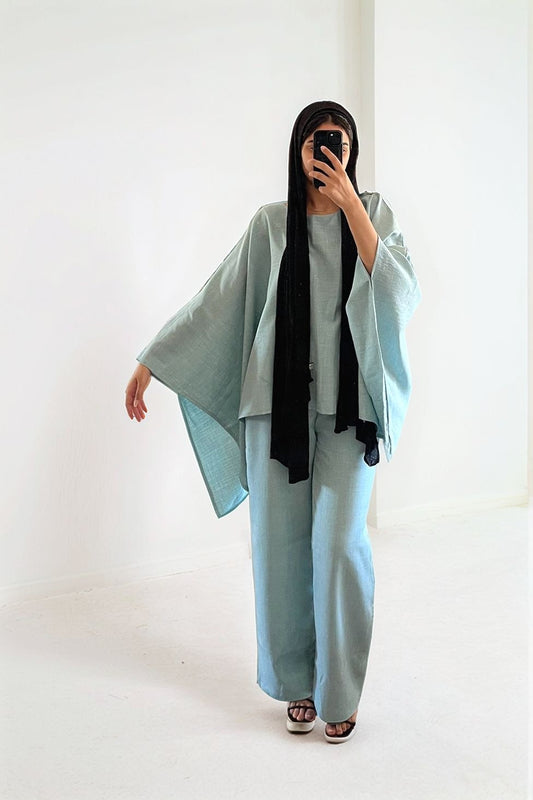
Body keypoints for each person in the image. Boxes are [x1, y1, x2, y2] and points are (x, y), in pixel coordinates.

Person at [125, 100, 422, 744]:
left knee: (337, 544)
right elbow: (218, 298)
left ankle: (340, 692)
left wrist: (349, 207)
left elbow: (400, 292)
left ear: (352, 151)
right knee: (281, 549)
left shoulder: (373, 212)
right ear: (298, 150)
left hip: (349, 411)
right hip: (276, 409)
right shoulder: (270, 224)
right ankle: (297, 686)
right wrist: (154, 357)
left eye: (339, 143)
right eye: (317, 143)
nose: (328, 153)